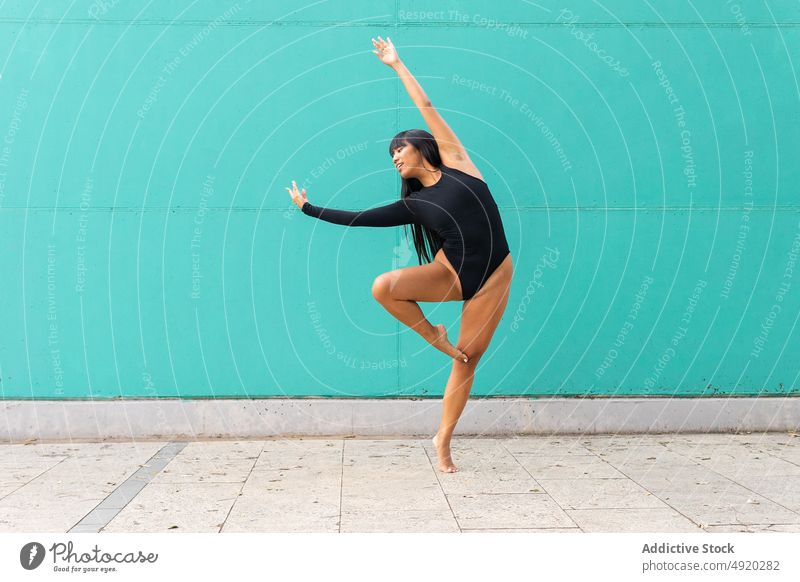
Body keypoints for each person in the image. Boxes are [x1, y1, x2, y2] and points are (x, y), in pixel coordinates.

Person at [287, 36, 513, 473]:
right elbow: (358, 218)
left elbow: (427, 105)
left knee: (469, 357)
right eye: (390, 154)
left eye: (399, 149)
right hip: (450, 273)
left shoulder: (458, 163)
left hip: (493, 277)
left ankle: (442, 440)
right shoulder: (412, 205)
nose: (394, 157)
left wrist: (396, 64)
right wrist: (309, 208)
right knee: (383, 287)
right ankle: (433, 336)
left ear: (420, 146)